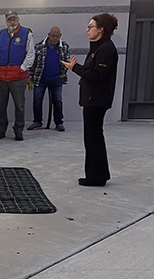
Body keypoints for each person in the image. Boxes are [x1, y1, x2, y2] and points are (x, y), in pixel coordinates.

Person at [62, 13, 118, 187]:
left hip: (97, 99)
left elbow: (98, 75)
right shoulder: (98, 47)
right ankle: (95, 174)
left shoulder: (106, 48)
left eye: (91, 27)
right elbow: (92, 70)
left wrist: (75, 68)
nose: (87, 30)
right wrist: (77, 67)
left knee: (93, 137)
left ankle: (97, 177)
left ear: (101, 29)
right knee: (92, 136)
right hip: (92, 98)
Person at [0, 10, 34, 141]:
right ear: (6, 21)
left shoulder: (27, 33)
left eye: (14, 19)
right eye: (9, 20)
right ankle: (1, 129)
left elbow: (30, 54)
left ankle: (18, 130)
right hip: (1, 77)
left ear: (18, 19)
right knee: (0, 105)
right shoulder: (1, 34)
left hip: (18, 77)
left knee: (19, 105)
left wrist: (22, 68)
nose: (12, 22)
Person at [28, 26, 70, 132]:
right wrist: (29, 76)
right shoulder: (39, 47)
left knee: (58, 101)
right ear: (48, 35)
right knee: (37, 101)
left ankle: (59, 123)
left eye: (57, 36)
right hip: (40, 79)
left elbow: (67, 62)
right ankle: (37, 122)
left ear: (60, 36)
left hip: (56, 79)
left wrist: (61, 76)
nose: (55, 38)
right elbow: (32, 64)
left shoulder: (64, 47)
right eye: (53, 36)